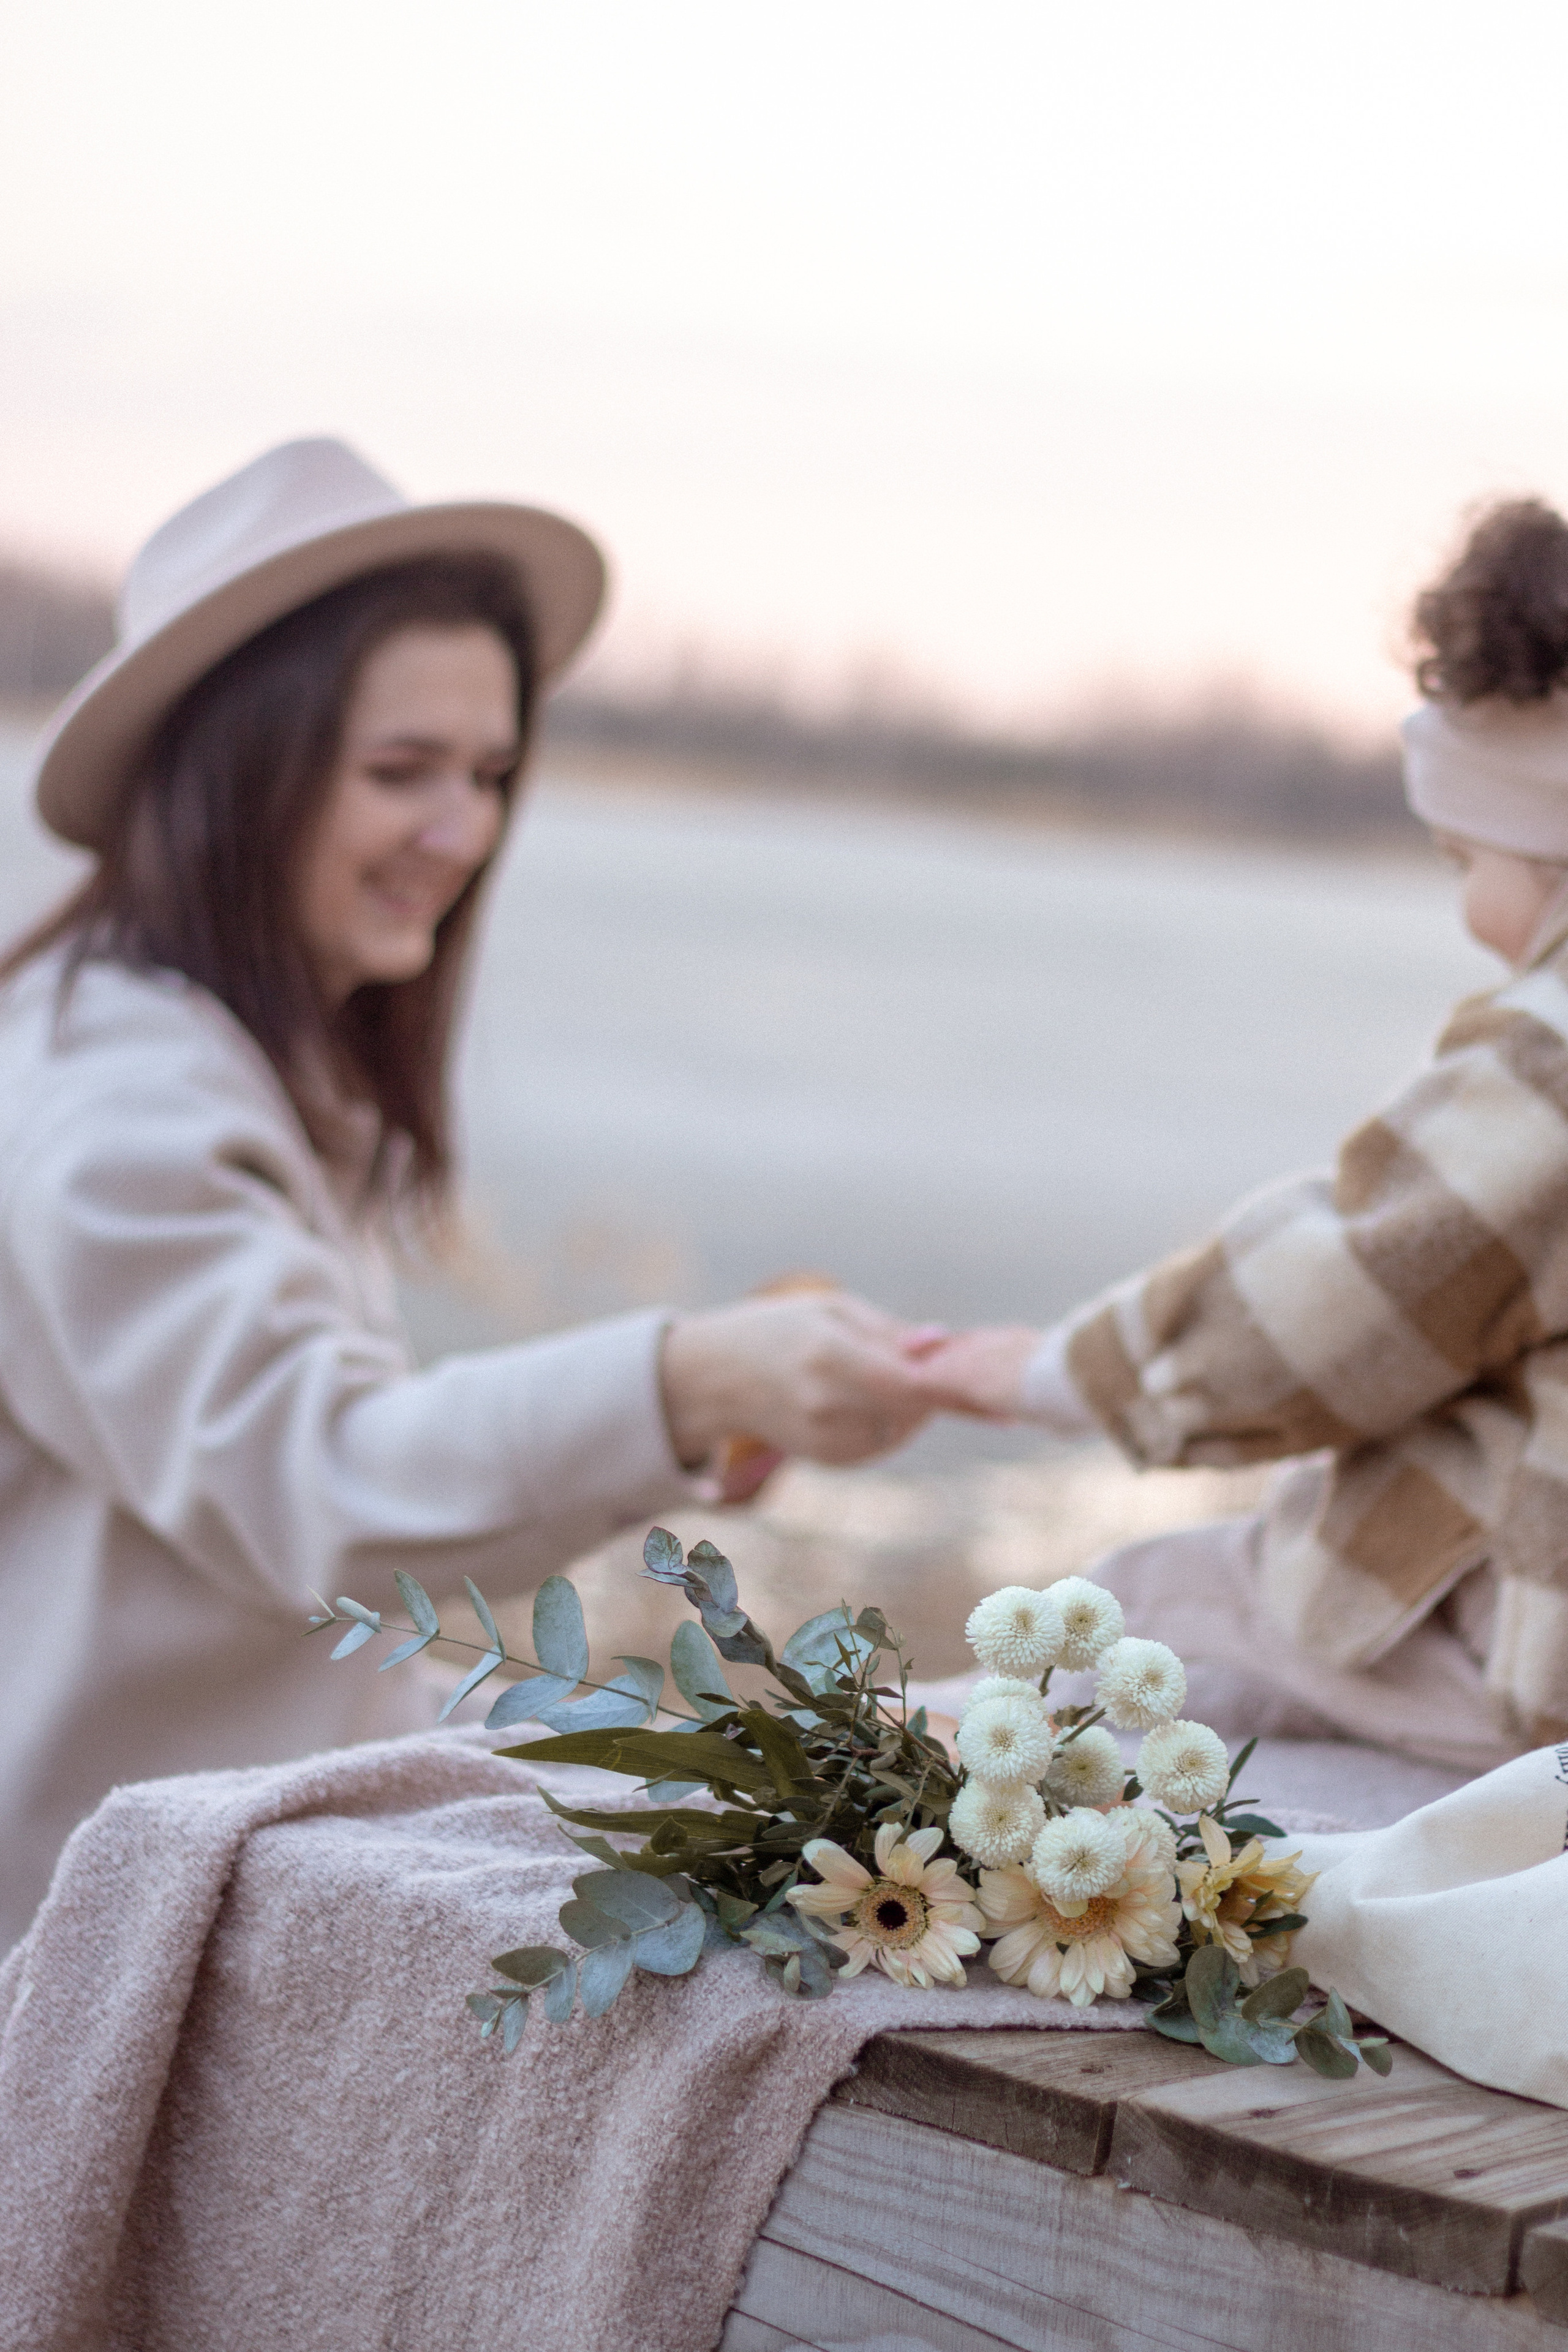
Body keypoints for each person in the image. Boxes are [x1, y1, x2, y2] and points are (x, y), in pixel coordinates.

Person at [0, 438, 935, 1948]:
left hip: (179, 1911)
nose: (463, 833)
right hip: (59, 1961)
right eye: (400, 773)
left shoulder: (229, 1066)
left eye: (489, 773)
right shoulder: (115, 1119)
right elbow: (323, 1497)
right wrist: (681, 1382)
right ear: (233, 769)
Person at [910, 499, 1568, 1775]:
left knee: (1141, 1613)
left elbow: (1350, 1300)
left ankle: (922, 1773)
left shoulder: (1545, 1067)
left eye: (1462, 861)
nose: (1469, 912)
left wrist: (1068, 1373)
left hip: (1525, 1644)